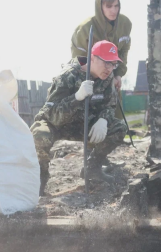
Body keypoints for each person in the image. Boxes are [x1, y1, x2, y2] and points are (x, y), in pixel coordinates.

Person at [31, 40, 127, 196]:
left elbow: (109, 105)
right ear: (93, 58)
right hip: (56, 123)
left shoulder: (107, 78)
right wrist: (77, 97)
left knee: (119, 127)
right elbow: (52, 114)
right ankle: (40, 178)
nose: (109, 68)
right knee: (39, 134)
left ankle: (92, 168)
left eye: (113, 64)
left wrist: (103, 120)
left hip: (82, 122)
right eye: (106, 63)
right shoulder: (67, 76)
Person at [70, 0, 132, 118]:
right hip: (89, 81)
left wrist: (118, 74)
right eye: (109, 6)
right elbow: (78, 61)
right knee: (90, 121)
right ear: (100, 6)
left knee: (116, 122)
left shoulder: (125, 24)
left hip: (112, 77)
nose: (113, 10)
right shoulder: (84, 30)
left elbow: (124, 51)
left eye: (116, 6)